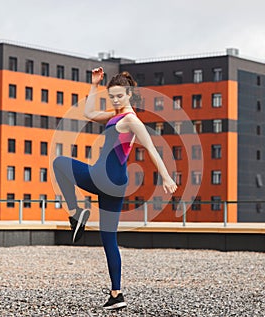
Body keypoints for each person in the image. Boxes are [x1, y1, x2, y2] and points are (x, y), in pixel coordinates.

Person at [53, 67, 177, 310]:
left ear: (130, 94)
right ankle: (116, 294)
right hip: (117, 185)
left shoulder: (131, 119)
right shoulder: (114, 115)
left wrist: (166, 177)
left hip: (102, 176)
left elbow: (152, 149)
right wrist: (94, 84)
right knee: (108, 238)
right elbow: (88, 112)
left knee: (59, 163)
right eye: (112, 96)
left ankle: (76, 214)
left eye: (120, 96)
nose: (116, 100)